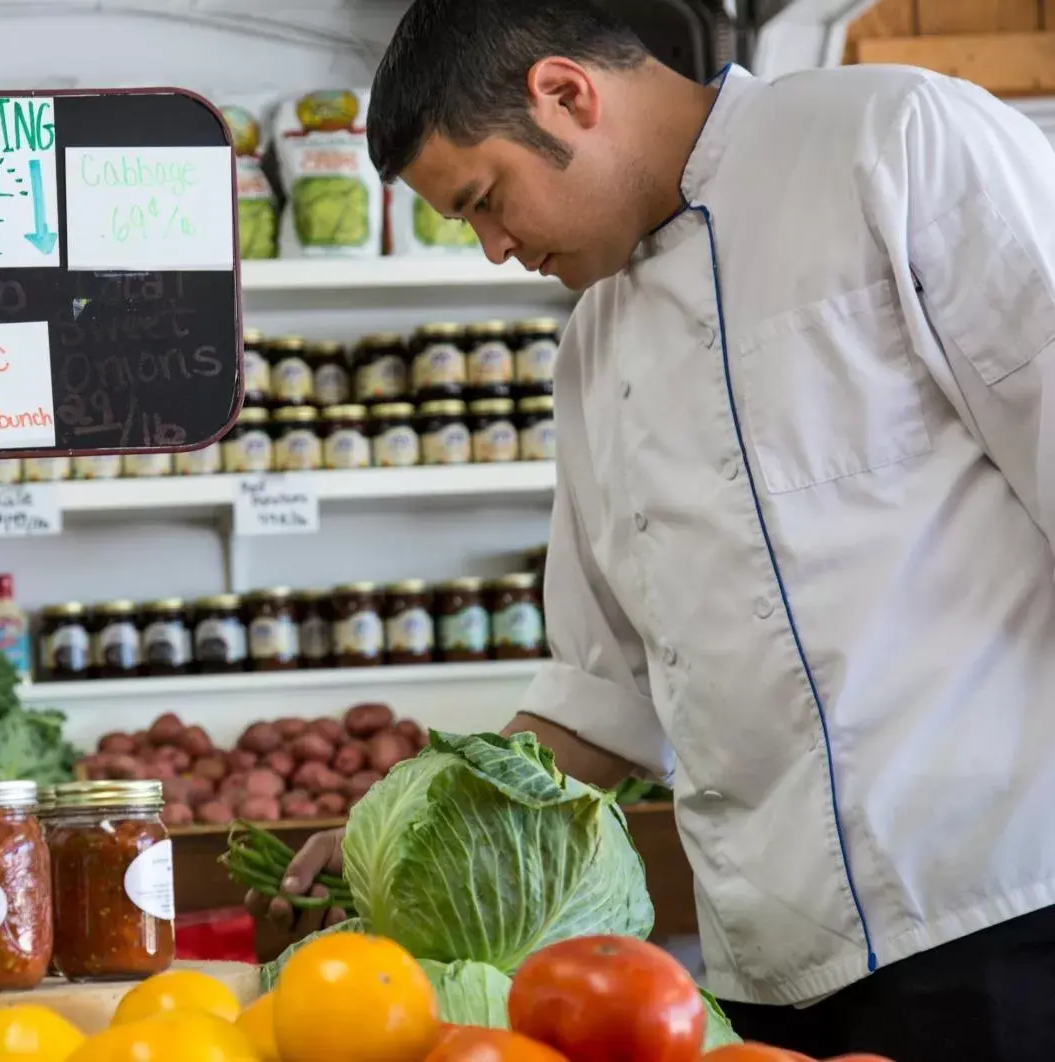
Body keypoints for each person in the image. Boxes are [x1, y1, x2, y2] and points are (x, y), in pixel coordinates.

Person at [247, 1, 1055, 1058]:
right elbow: (601, 699)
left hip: (1004, 909)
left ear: (566, 95)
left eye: (486, 199)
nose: (494, 249)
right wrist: (395, 829)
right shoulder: (590, 350)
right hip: (763, 969)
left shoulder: (893, 140)